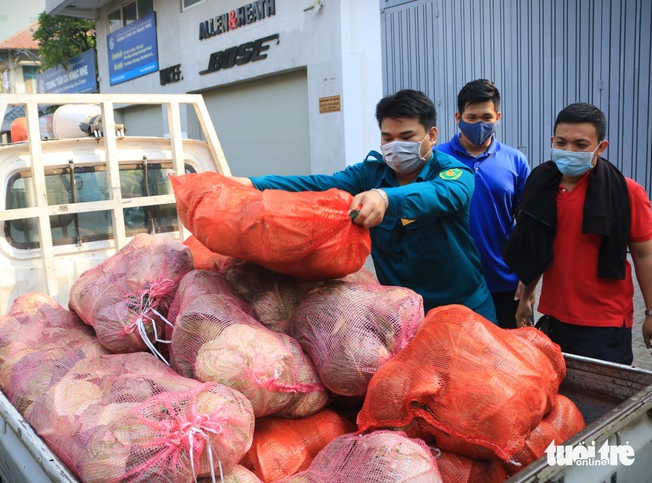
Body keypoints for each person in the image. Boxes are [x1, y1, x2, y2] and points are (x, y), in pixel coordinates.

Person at [233, 89, 497, 323]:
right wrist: (252, 183)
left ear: (432, 135)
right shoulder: (369, 173)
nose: (395, 146)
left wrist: (385, 198)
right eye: (387, 138)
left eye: (406, 137)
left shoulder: (454, 173)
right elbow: (320, 184)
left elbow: (441, 194)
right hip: (403, 316)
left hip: (464, 311)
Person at [504, 102, 652, 364]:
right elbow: (537, 246)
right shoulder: (541, 188)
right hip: (553, 320)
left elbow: (644, 255)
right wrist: (526, 297)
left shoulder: (626, 192)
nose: (569, 151)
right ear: (552, 141)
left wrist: (651, 312)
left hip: (605, 326)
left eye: (580, 145)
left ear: (600, 147)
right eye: (561, 142)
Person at [435, 79, 530, 328]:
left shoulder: (516, 161)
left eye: (486, 117)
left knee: (506, 359)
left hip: (505, 283)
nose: (479, 124)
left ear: (498, 116)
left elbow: (527, 224)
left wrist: (528, 279)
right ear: (458, 116)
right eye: (472, 116)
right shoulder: (437, 158)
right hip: (452, 283)